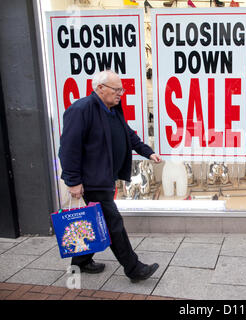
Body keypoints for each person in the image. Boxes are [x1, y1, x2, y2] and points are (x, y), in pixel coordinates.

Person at [59, 70, 161, 283]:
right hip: (92, 179)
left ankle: (81, 262)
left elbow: (129, 135)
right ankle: (133, 268)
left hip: (105, 177)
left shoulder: (112, 110)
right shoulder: (81, 110)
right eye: (117, 89)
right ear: (100, 88)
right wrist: (73, 181)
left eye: (122, 89)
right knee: (113, 222)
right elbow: (68, 148)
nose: (121, 93)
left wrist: (147, 152)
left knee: (98, 221)